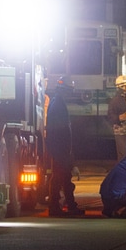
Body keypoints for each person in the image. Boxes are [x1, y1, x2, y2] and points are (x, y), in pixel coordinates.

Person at [43, 74, 82, 216]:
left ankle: (69, 206)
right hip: (60, 150)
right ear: (65, 90)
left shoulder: (57, 103)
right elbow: (61, 131)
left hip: (60, 149)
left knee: (64, 179)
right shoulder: (58, 105)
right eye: (69, 90)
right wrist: (63, 153)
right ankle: (55, 207)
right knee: (60, 178)